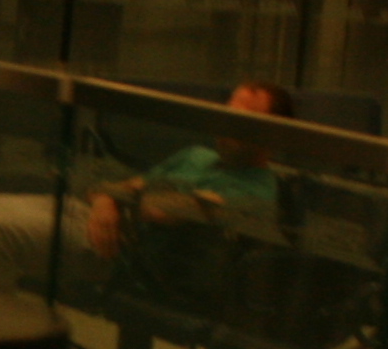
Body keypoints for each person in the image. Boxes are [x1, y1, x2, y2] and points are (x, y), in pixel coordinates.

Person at [83, 80, 286, 257]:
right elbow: (121, 187)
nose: (225, 129)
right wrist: (104, 201)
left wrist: (119, 196)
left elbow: (160, 210)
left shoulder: (258, 192)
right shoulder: (195, 155)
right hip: (108, 222)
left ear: (271, 138)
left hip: (141, 253)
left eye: (241, 123)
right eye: (226, 116)